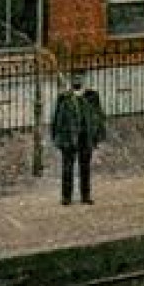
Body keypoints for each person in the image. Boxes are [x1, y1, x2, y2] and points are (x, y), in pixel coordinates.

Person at [51, 72, 106, 205]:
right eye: (74, 78)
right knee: (67, 168)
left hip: (85, 137)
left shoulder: (92, 96)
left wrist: (97, 136)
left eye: (79, 78)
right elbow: (57, 119)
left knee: (85, 167)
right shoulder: (64, 98)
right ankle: (66, 197)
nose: (77, 80)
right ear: (71, 81)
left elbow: (99, 117)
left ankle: (85, 196)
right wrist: (57, 138)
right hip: (69, 137)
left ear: (84, 80)